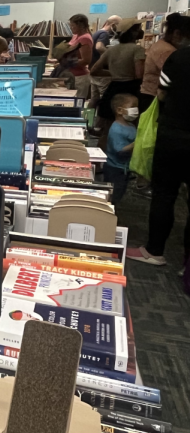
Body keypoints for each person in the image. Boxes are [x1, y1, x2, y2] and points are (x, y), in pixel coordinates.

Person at [127, 29, 190, 273]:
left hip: (174, 134)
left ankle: (155, 250)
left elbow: (161, 93)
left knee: (164, 195)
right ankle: (188, 264)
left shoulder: (180, 57)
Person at [91, 18, 145, 150]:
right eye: (137, 29)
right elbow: (139, 74)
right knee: (131, 126)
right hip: (130, 89)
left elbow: (94, 70)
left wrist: (114, 73)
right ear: (132, 33)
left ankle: (99, 163)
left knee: (107, 130)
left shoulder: (111, 50)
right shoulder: (137, 50)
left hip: (113, 89)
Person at [139, 13, 186, 113]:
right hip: (154, 97)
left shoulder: (162, 45)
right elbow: (177, 76)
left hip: (151, 94)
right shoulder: (167, 51)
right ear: (177, 34)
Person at [103, 93, 138, 202]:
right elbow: (120, 150)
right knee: (113, 194)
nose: (136, 110)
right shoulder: (116, 129)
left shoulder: (131, 126)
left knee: (120, 191)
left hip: (125, 168)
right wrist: (137, 143)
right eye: (133, 107)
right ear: (119, 110)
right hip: (114, 169)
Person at [89, 15, 122, 109]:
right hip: (102, 73)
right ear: (113, 24)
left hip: (93, 71)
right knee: (104, 99)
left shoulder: (97, 33)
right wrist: (112, 56)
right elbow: (99, 47)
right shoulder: (104, 34)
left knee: (94, 99)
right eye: (118, 25)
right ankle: (100, 121)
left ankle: (89, 119)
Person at [66, 13, 94, 99]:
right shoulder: (76, 36)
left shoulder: (85, 38)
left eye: (73, 26)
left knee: (77, 103)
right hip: (72, 75)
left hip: (80, 77)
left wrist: (67, 63)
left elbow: (86, 60)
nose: (71, 28)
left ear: (81, 25)